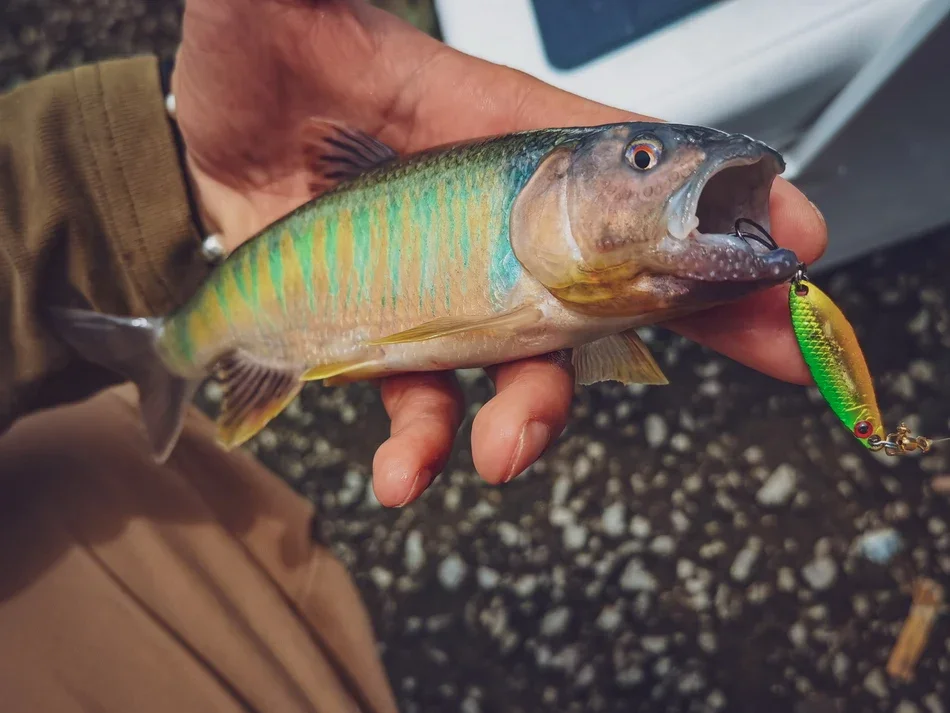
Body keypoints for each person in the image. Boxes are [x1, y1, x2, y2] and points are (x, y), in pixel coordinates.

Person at [0, 0, 827, 710]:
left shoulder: (600, 304)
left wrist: (159, 171)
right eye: (643, 160)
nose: (663, 168)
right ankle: (165, 360)